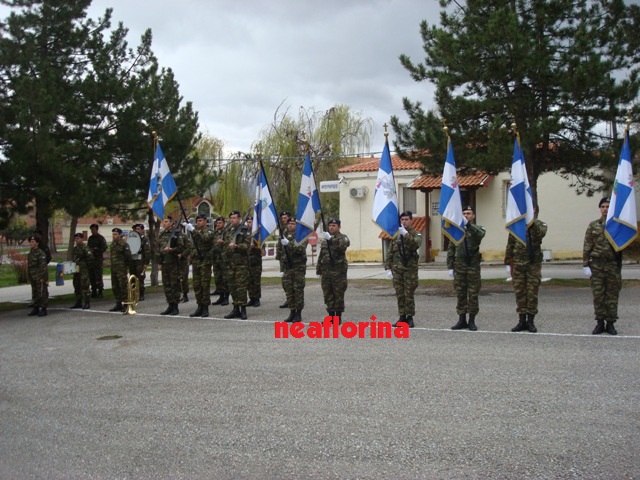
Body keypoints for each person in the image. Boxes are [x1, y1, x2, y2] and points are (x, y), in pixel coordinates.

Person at [583, 197, 622, 335]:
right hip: (597, 266)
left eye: (607, 206)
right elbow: (587, 245)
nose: (605, 209)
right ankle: (600, 322)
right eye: (603, 206)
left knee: (612, 295)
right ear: (600, 208)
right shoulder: (594, 225)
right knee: (598, 296)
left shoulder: (617, 225)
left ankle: (610, 323)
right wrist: (586, 264)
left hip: (612, 265)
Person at [504, 206, 547, 333]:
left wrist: (531, 223)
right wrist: (507, 261)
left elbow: (539, 235)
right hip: (518, 264)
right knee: (520, 293)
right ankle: (521, 320)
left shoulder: (540, 224)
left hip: (533, 264)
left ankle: (531, 321)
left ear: (534, 210)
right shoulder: (516, 226)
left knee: (532, 293)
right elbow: (510, 244)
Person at [447, 206, 486, 331]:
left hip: (472, 267)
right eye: (464, 213)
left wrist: (468, 226)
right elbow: (451, 249)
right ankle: (461, 319)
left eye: (468, 213)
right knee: (461, 294)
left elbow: (480, 235)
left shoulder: (477, 229)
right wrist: (449, 266)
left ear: (473, 216)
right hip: (459, 267)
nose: (466, 215)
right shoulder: (456, 231)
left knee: (473, 294)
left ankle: (472, 320)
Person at [384, 211, 422, 329]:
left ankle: (409, 317)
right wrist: (387, 268)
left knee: (408, 294)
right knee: (400, 294)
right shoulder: (396, 236)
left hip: (409, 270)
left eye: (406, 219)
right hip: (397, 270)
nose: (404, 222)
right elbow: (390, 252)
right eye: (402, 220)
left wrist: (405, 234)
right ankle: (402, 316)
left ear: (411, 221)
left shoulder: (416, 234)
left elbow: (415, 244)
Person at [316, 217, 350, 323]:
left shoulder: (343, 238)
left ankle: (337, 317)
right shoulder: (326, 239)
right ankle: (330, 316)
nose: (331, 227)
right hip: (326, 272)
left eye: (334, 226)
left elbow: (342, 246)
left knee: (338, 294)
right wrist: (318, 269)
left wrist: (330, 240)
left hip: (338, 272)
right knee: (328, 294)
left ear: (339, 227)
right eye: (330, 225)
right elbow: (322, 255)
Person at [279, 216, 308, 323]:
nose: (290, 225)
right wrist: (282, 269)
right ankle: (291, 312)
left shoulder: (302, 235)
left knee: (298, 291)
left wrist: (289, 244)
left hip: (298, 268)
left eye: (293, 223)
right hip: (287, 268)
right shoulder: (284, 235)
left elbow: (300, 248)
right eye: (289, 223)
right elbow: (282, 254)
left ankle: (298, 313)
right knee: (289, 292)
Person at [223, 210, 250, 320]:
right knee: (232, 287)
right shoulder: (228, 230)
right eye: (231, 218)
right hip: (230, 264)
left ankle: (243, 310)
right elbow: (225, 244)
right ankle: (235, 308)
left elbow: (247, 245)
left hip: (240, 264)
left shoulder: (245, 230)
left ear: (239, 218)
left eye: (234, 218)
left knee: (241, 288)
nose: (232, 220)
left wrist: (237, 246)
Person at [188, 214, 215, 318]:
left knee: (204, 285)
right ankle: (199, 306)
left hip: (205, 262)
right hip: (196, 262)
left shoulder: (209, 231)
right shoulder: (196, 233)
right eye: (197, 221)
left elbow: (205, 239)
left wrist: (193, 230)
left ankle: (205, 308)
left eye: (200, 221)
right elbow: (193, 245)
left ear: (205, 221)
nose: (198, 223)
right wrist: (191, 254)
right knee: (197, 286)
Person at [157, 216, 185, 315]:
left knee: (174, 285)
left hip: (173, 263)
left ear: (171, 222)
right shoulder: (162, 234)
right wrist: (159, 262)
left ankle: (175, 307)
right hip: (164, 263)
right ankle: (170, 305)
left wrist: (172, 250)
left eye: (166, 221)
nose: (164, 223)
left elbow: (181, 247)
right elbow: (158, 249)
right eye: (163, 222)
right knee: (167, 285)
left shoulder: (176, 233)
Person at [109, 228, 132, 312]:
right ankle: (118, 303)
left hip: (121, 268)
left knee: (123, 286)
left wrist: (125, 266)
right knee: (115, 286)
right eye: (113, 234)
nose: (113, 236)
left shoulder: (123, 244)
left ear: (119, 235)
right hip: (114, 268)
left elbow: (128, 256)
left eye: (115, 234)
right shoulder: (112, 244)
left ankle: (126, 304)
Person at [27, 235, 49, 317]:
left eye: (33, 242)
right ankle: (36, 307)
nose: (31, 243)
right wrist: (29, 276)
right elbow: (29, 266)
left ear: (37, 243)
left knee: (42, 292)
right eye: (30, 242)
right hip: (33, 276)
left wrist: (43, 277)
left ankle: (43, 308)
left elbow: (43, 266)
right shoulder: (30, 253)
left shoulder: (40, 253)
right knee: (35, 292)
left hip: (40, 276)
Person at [70, 232, 93, 310]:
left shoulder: (85, 248)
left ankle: (87, 302)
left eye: (78, 238)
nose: (76, 240)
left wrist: (86, 267)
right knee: (76, 284)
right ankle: (78, 301)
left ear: (82, 239)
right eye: (75, 239)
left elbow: (90, 258)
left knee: (85, 285)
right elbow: (73, 259)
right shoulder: (75, 249)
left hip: (84, 269)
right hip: (77, 269)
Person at [128, 224, 151, 301]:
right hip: (132, 261)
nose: (136, 230)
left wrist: (146, 263)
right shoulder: (132, 239)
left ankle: (141, 294)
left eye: (138, 229)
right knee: (132, 277)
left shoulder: (144, 239)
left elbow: (147, 251)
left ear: (142, 230)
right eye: (135, 229)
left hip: (140, 261)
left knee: (140, 278)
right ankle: (134, 293)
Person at [275, 210, 292, 308]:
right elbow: (279, 244)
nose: (283, 220)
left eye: (285, 218)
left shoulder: (292, 229)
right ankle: (288, 298)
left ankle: (291, 299)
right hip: (283, 258)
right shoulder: (282, 229)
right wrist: (278, 255)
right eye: (282, 218)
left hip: (290, 258)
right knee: (284, 280)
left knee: (290, 280)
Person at [211, 216, 229, 306]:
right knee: (218, 278)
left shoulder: (226, 232)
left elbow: (230, 243)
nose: (218, 225)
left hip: (224, 259)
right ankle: (221, 296)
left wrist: (223, 242)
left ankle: (226, 297)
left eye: (220, 223)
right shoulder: (215, 233)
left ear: (224, 223)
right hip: (216, 259)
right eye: (217, 223)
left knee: (225, 279)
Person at [246, 217, 263, 307]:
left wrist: (255, 247)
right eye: (248, 222)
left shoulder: (258, 234)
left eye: (251, 222)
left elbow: (262, 249)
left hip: (256, 261)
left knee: (256, 281)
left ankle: (257, 299)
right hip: (247, 260)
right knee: (249, 281)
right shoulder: (246, 233)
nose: (249, 224)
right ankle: (251, 297)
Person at [87, 224, 107, 298]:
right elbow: (88, 247)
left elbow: (104, 247)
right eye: (91, 230)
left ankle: (100, 291)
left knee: (98, 275)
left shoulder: (100, 238)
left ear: (97, 230)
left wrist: (96, 250)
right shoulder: (90, 238)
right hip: (91, 260)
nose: (92, 231)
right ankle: (94, 290)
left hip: (98, 259)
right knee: (92, 276)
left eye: (94, 229)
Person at [178, 221, 192, 304]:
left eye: (179, 227)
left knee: (184, 279)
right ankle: (178, 294)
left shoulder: (184, 236)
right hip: (175, 262)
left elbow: (188, 248)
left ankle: (185, 295)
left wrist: (182, 254)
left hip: (183, 261)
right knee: (177, 279)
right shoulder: (173, 236)